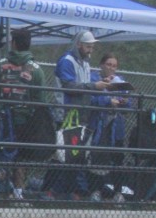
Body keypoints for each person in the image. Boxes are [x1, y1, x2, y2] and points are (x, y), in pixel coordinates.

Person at [0, 28, 51, 200]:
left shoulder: (0, 65)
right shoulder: (37, 70)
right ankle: (18, 193)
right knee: (21, 155)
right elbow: (40, 99)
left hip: (0, 118)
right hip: (25, 120)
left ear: (13, 43)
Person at [49, 30, 111, 197]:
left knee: (75, 156)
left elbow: (84, 85)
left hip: (80, 114)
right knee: (66, 155)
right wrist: (94, 86)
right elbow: (69, 87)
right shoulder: (67, 61)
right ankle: (56, 190)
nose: (91, 50)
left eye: (92, 47)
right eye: (88, 46)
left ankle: (65, 191)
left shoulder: (85, 62)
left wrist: (99, 84)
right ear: (78, 45)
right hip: (66, 114)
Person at [87, 53, 132, 201]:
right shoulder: (94, 79)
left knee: (117, 158)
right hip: (99, 126)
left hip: (116, 126)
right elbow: (91, 99)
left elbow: (128, 105)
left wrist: (124, 101)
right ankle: (96, 190)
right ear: (102, 65)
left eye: (114, 66)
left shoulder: (120, 81)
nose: (111, 68)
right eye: (109, 65)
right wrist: (108, 101)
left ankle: (118, 192)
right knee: (97, 158)